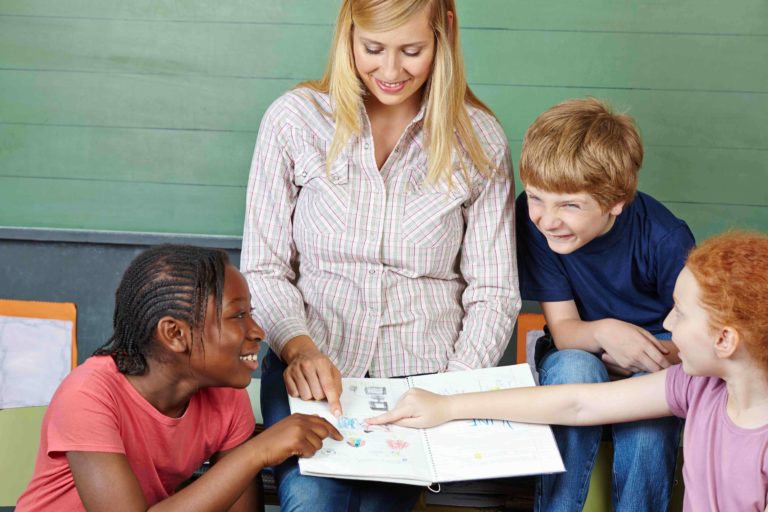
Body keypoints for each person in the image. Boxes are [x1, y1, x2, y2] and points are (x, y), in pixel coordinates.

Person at [240, 0, 520, 510]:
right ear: (348, 37)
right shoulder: (293, 120)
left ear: (443, 38)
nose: (390, 72)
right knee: (311, 499)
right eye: (373, 49)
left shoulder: (480, 141)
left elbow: (495, 293)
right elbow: (263, 267)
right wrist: (299, 348)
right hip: (311, 372)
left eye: (411, 51)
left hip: (423, 383)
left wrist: (449, 390)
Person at [369, 231, 768, 512]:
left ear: (725, 341)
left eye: (680, 312)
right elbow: (577, 403)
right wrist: (447, 405)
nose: (666, 319)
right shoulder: (696, 386)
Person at [16, 245, 341, 512]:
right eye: (238, 315)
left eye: (251, 314)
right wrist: (258, 451)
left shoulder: (227, 397)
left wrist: (254, 453)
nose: (257, 331)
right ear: (175, 334)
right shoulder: (87, 396)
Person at [513, 97, 696, 511]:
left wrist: (649, 355)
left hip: (663, 351)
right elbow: (564, 329)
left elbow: (696, 347)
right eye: (538, 197)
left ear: (616, 201)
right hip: (581, 345)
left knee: (648, 426)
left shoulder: (665, 239)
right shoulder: (537, 224)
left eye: (570, 205)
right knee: (574, 367)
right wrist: (605, 333)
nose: (547, 218)